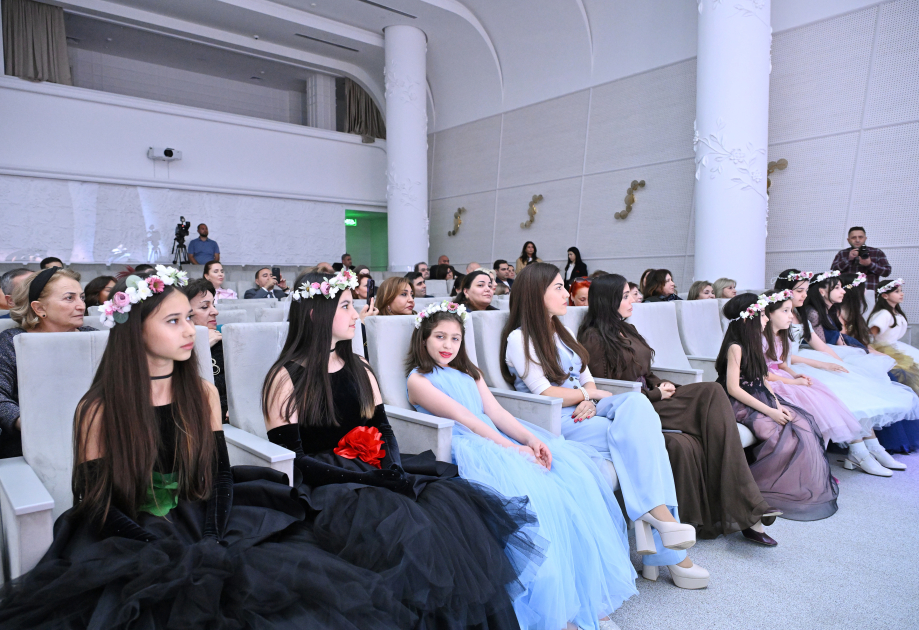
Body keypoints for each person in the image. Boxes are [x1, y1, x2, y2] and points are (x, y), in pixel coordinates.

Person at [0, 266, 408, 629]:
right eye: (173, 321)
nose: (188, 331)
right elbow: (96, 501)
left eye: (187, 319)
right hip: (129, 533)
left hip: (204, 516)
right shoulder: (98, 409)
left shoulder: (202, 394)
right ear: (136, 329)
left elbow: (220, 475)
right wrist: (157, 546)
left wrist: (212, 534)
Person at [262, 271, 539, 629]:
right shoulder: (284, 378)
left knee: (452, 515)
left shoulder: (359, 366)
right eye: (346, 306)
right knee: (405, 533)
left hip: (375, 469)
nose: (356, 313)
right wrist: (368, 478)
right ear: (316, 315)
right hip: (326, 484)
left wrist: (391, 468)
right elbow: (295, 460)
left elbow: (384, 429)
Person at [406, 302, 639, 626]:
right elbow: (468, 419)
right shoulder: (419, 380)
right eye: (439, 337)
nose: (448, 345)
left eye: (455, 338)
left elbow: (496, 413)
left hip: (496, 436)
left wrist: (530, 439)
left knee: (565, 482)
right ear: (423, 339)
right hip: (466, 444)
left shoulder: (470, 373)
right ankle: (549, 605)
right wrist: (512, 450)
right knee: (533, 497)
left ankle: (579, 596)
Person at [501, 263, 708, 590]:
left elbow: (588, 380)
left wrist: (588, 397)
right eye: (558, 287)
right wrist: (586, 396)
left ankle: (656, 522)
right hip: (557, 419)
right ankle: (665, 534)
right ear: (535, 294)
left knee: (638, 404)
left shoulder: (561, 331)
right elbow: (545, 392)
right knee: (643, 442)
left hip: (584, 410)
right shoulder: (519, 338)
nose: (566, 293)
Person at [579, 275, 777, 545]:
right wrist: (655, 394)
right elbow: (609, 391)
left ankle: (741, 506)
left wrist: (661, 383)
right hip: (636, 408)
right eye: (625, 296)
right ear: (607, 301)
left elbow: (645, 372)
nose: (632, 300)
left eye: (630, 294)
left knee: (711, 391)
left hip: (654, 396)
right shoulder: (593, 337)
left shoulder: (628, 328)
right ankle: (748, 507)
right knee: (707, 409)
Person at [773, 269, 916, 469]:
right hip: (792, 364)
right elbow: (781, 356)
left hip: (806, 359)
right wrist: (823, 364)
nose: (804, 295)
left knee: (852, 381)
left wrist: (841, 363)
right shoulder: (778, 316)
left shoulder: (799, 314)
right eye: (799, 291)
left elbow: (821, 346)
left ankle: (873, 446)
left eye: (805, 290)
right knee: (841, 392)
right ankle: (858, 451)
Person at [716, 293, 839, 521]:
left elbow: (763, 380)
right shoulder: (735, 347)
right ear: (749, 319)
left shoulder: (755, 344)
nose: (765, 319)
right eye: (763, 315)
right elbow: (733, 388)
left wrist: (776, 404)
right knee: (773, 432)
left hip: (759, 396)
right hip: (738, 401)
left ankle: (787, 483)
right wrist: (770, 411)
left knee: (801, 423)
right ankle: (755, 488)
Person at [0, 268, 95, 458]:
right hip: (28, 444)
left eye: (82, 298)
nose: (81, 306)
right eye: (69, 298)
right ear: (39, 308)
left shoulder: (93, 337)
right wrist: (27, 423)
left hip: (93, 438)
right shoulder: (13, 341)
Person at [763, 289, 870, 450]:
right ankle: (808, 451)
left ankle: (820, 452)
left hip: (782, 375)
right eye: (785, 311)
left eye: (791, 311)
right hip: (771, 381)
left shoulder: (783, 337)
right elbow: (763, 374)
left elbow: (783, 365)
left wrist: (796, 375)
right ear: (769, 314)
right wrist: (793, 382)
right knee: (805, 403)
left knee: (820, 397)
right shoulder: (761, 339)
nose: (791, 316)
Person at [869, 279, 919, 454]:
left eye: (900, 291)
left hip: (896, 348)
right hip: (884, 349)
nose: (901, 294)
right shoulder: (883, 314)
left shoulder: (895, 312)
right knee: (909, 379)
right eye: (897, 291)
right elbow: (870, 335)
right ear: (885, 295)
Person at [181, 278, 227, 421]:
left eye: (213, 304)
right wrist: (201, 347)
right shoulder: (173, 350)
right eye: (204, 307)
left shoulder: (226, 340)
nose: (215, 312)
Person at [830, 226, 891, 291]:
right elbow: (833, 272)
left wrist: (870, 264)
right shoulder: (842, 253)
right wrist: (848, 259)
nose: (857, 240)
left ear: (865, 238)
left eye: (860, 237)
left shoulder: (876, 252)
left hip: (869, 291)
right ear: (848, 240)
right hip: (847, 292)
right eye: (853, 237)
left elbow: (887, 272)